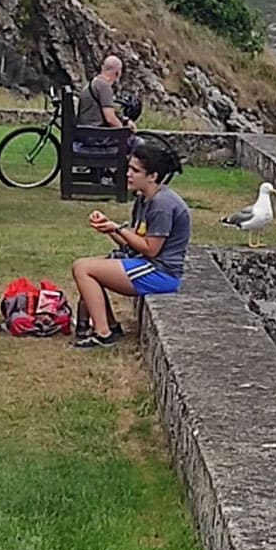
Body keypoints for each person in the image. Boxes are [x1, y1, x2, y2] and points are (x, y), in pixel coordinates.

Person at [71, 143, 191, 349]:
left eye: (135, 171)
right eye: (129, 168)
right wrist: (108, 228)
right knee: (90, 267)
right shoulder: (144, 198)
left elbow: (151, 249)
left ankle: (103, 334)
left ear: (153, 176)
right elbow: (134, 241)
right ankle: (108, 325)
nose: (128, 174)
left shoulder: (163, 204)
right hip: (147, 264)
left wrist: (117, 228)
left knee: (83, 267)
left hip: (162, 274)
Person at [75, 55, 136, 133]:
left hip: (86, 132)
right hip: (97, 135)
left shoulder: (93, 83)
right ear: (118, 73)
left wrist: (125, 121)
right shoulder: (104, 87)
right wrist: (123, 132)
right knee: (138, 142)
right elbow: (110, 118)